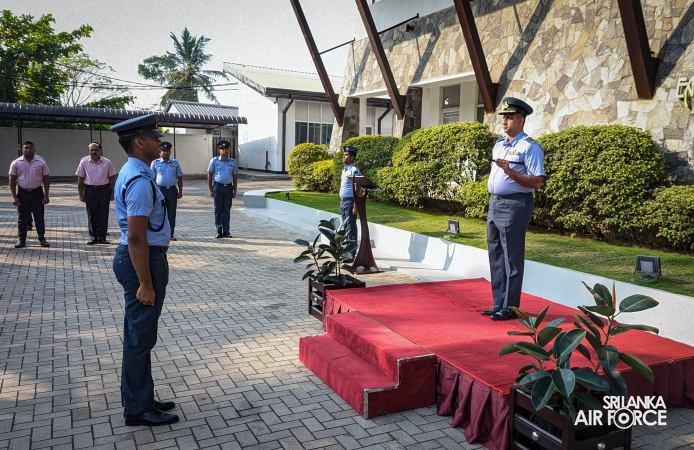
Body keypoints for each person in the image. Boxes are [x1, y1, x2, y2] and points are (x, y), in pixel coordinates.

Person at [110, 114, 178, 427]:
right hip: (143, 260)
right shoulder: (139, 180)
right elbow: (137, 237)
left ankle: (142, 397)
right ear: (139, 142)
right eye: (154, 138)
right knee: (139, 339)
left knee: (140, 336)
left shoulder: (137, 171)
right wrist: (145, 284)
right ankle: (137, 409)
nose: (159, 142)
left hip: (143, 258)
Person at [481, 97, 545, 321]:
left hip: (515, 204)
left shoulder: (530, 147)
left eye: (509, 117)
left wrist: (510, 172)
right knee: (496, 255)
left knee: (512, 258)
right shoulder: (500, 144)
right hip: (495, 203)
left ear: (521, 120)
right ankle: (498, 302)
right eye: (504, 117)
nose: (504, 121)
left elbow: (537, 182)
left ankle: (510, 307)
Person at [9, 141, 51, 248]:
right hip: (23, 193)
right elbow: (12, 180)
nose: (28, 150)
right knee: (22, 217)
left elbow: (46, 179)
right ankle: (21, 239)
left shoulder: (41, 162)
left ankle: (42, 238)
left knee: (39, 217)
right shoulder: (16, 163)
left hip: (37, 193)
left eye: (30, 148)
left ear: (34, 149)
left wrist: (46, 195)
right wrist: (14, 196)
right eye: (26, 148)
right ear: (22, 150)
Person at [76, 142, 117, 245]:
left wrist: (113, 193)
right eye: (91, 150)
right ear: (88, 151)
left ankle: (102, 237)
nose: (94, 152)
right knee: (91, 214)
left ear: (100, 150)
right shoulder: (84, 162)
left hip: (104, 190)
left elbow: (111, 178)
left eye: (96, 150)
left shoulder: (107, 162)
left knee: (104, 213)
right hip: (90, 190)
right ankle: (93, 237)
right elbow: (80, 179)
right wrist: (81, 194)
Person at [151, 142, 183, 241]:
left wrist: (180, 191)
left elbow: (180, 177)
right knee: (159, 213)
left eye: (167, 151)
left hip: (172, 191)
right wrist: (153, 192)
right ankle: (160, 233)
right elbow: (151, 178)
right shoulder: (155, 163)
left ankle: (170, 233)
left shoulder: (175, 163)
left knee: (171, 213)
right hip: (160, 190)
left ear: (170, 152)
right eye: (163, 151)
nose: (166, 153)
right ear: (160, 152)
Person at [207, 140, 238, 238]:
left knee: (227, 209)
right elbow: (209, 175)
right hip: (218, 187)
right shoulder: (214, 161)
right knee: (218, 209)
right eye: (222, 149)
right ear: (219, 151)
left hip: (228, 188)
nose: (224, 151)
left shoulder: (232, 162)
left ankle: (227, 231)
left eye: (226, 149)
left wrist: (235, 190)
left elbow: (235, 177)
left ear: (228, 150)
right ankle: (219, 231)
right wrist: (210, 189)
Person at [339, 145, 362, 245]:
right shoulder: (344, 170)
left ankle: (351, 251)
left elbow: (357, 189)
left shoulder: (354, 170)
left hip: (350, 201)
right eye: (343, 155)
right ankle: (347, 249)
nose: (343, 156)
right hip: (343, 201)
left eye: (346, 155)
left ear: (352, 157)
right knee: (345, 226)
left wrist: (355, 205)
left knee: (350, 226)